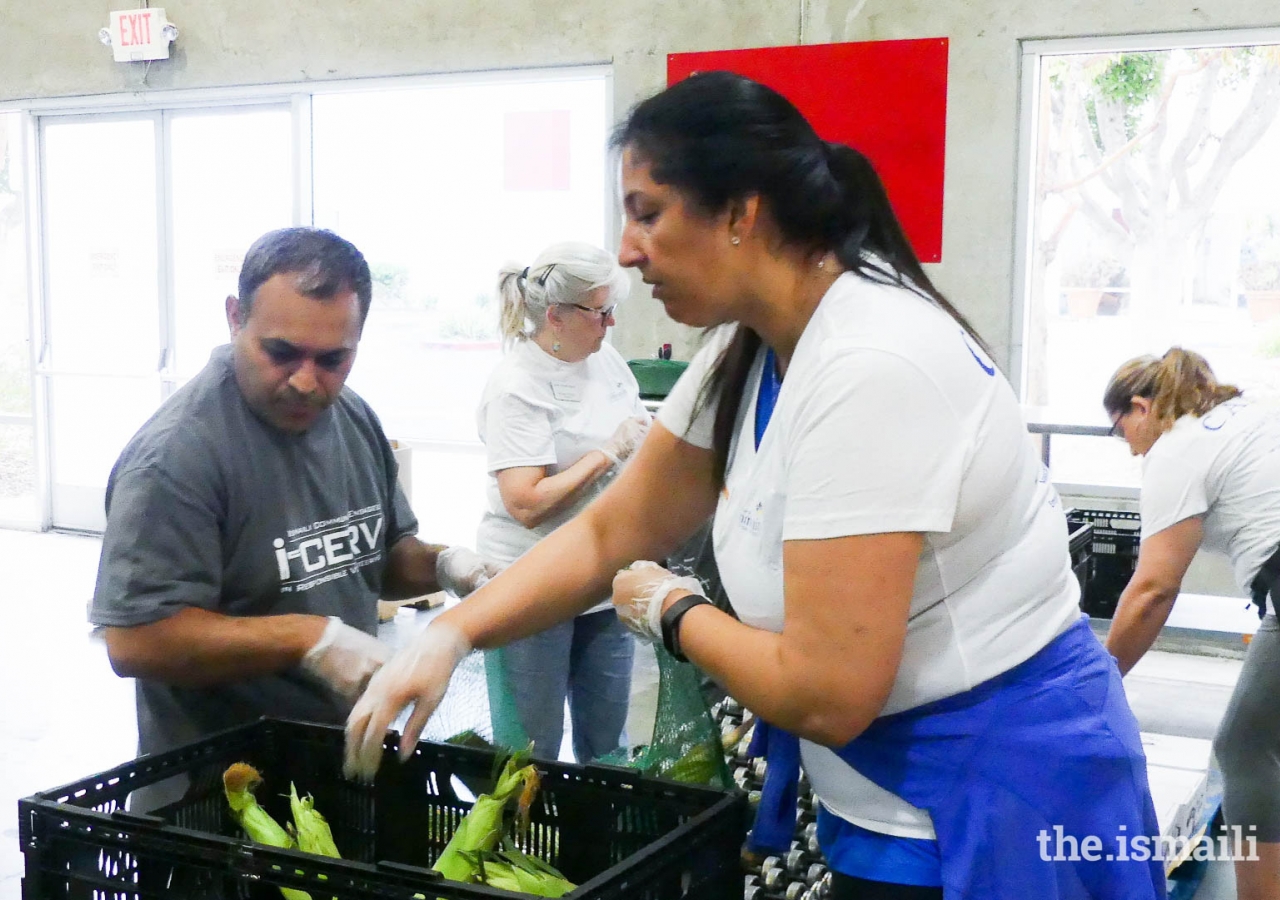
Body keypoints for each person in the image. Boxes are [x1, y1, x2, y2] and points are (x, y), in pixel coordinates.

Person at [346, 73, 1163, 899]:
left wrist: (670, 610)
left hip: (984, 804)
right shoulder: (751, 353)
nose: (627, 249)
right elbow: (606, 533)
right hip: (885, 789)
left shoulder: (871, 364)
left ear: (741, 212)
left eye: (647, 212)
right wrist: (449, 638)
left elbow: (826, 693)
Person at [89, 227, 492, 810]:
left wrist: (448, 565)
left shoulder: (351, 419)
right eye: (281, 353)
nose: (307, 380)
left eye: (333, 359)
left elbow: (377, 560)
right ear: (235, 318)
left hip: (336, 765)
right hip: (221, 795)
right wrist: (306, 639)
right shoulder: (178, 457)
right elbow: (135, 640)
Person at [1102, 348, 1280, 900]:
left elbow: (1153, 590)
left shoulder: (1177, 447)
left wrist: (1101, 676)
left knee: (1244, 749)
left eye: (1120, 430)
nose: (1130, 448)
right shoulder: (1248, 409)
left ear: (1140, 407)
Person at [476, 242, 649, 761]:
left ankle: (593, 836)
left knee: (606, 739)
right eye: (601, 313)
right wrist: (608, 452)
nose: (611, 324)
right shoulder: (517, 385)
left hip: (601, 576)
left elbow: (637, 424)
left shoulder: (606, 360)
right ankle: (522, 840)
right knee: (529, 749)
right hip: (531, 581)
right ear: (556, 315)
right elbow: (526, 503)